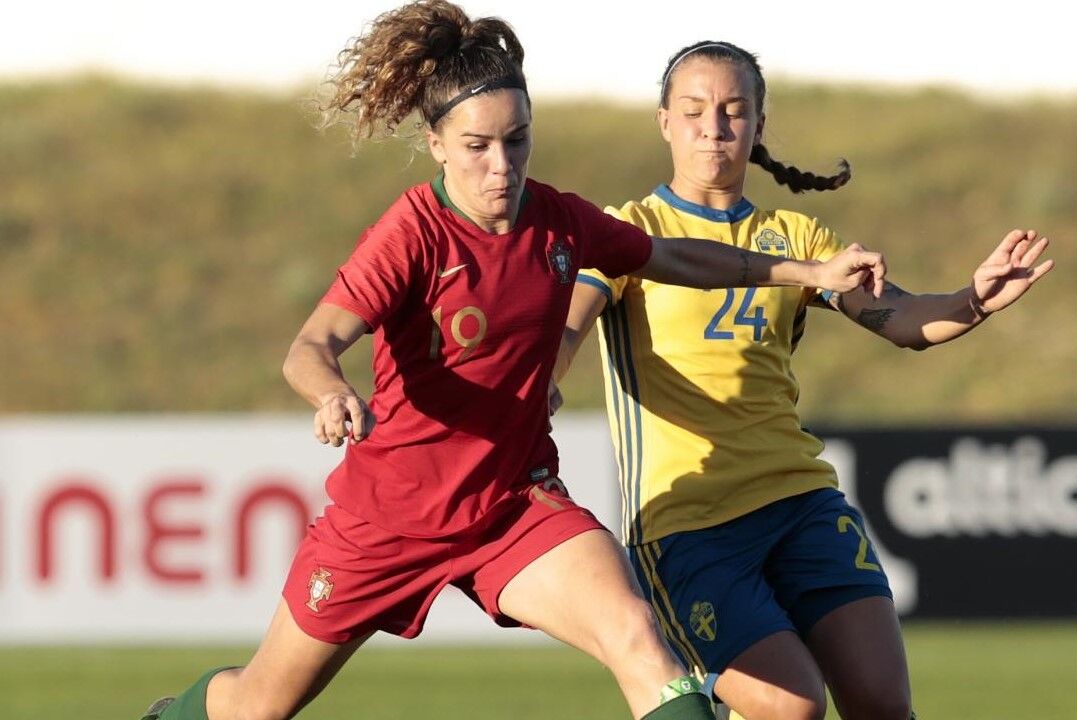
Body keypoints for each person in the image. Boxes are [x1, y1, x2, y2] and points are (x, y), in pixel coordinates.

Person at [139, 9, 888, 720]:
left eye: (518, 141)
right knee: (259, 705)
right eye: (478, 147)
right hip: (389, 517)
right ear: (437, 143)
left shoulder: (559, 221)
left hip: (513, 507)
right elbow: (310, 346)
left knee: (639, 639)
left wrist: (804, 274)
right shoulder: (411, 235)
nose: (502, 166)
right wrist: (332, 392)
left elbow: (675, 255)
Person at [556, 41, 1055, 720]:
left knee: (882, 701)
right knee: (792, 708)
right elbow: (563, 330)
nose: (715, 128)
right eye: (695, 110)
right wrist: (538, 381)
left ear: (759, 124)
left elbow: (901, 319)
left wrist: (973, 298)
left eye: (735, 111)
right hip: (688, 525)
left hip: (800, 504)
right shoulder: (628, 232)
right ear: (664, 121)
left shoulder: (795, 236)